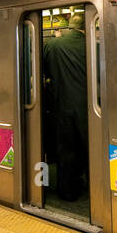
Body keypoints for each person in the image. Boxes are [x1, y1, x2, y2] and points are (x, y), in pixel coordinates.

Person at [42, 12, 89, 203]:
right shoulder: (92, 45)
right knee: (87, 149)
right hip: (87, 109)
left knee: (65, 150)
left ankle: (67, 191)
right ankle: (92, 188)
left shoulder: (52, 45)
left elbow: (42, 73)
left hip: (60, 107)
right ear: (85, 27)